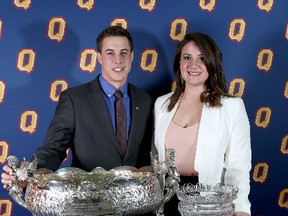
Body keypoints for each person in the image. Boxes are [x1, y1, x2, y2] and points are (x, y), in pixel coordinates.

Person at [2, 26, 153, 187]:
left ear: (132, 56)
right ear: (99, 57)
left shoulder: (144, 100)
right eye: (110, 53)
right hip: (88, 202)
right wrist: (29, 174)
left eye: (124, 52)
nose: (118, 59)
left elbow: (148, 155)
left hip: (134, 203)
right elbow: (53, 149)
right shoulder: (74, 99)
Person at [153, 32, 251, 215]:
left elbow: (238, 165)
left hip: (210, 200)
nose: (193, 65)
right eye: (187, 58)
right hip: (167, 199)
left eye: (202, 58)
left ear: (212, 63)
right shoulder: (162, 104)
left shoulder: (232, 107)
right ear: (179, 63)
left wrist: (241, 209)